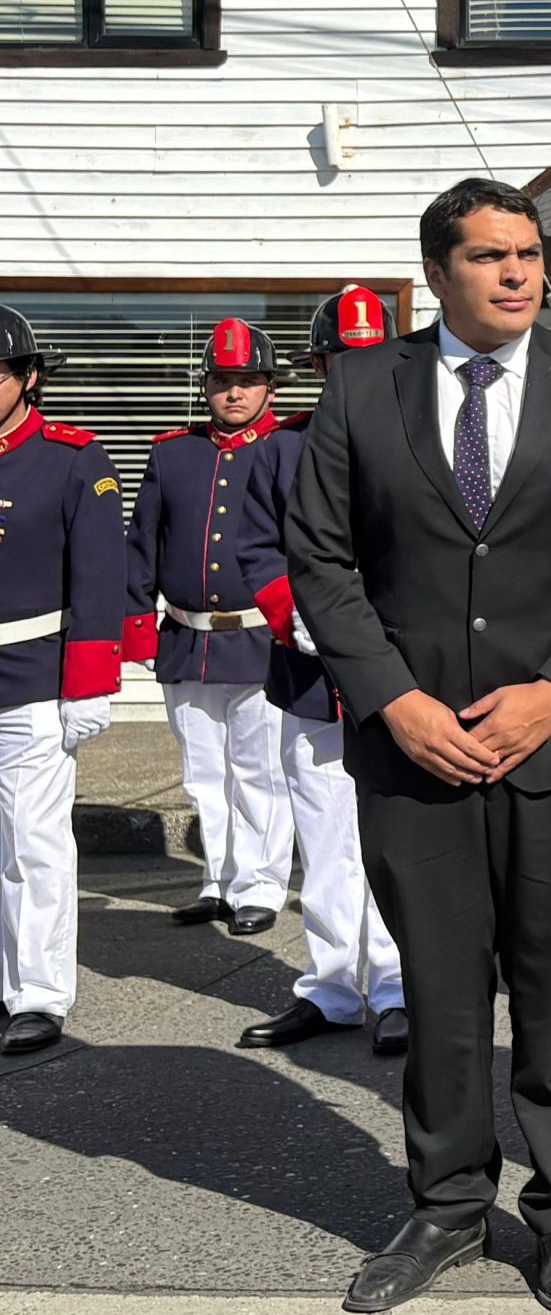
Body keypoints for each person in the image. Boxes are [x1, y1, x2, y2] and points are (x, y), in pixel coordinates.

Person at [286, 179, 551, 1315]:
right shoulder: (364, 387)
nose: (518, 274)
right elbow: (322, 558)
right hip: (414, 752)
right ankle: (449, 1206)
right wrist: (393, 702)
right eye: (491, 256)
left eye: (530, 254)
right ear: (437, 272)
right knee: (445, 995)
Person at [235, 286, 409, 1057]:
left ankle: (403, 988)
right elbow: (255, 549)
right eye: (342, 359)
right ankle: (336, 985)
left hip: (407, 680)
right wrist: (292, 612)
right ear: (317, 364)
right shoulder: (278, 451)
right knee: (327, 838)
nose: (355, 372)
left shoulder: (427, 441)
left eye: (370, 357)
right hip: (311, 679)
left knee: (401, 842)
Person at [124, 319, 297, 936]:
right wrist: (136, 624)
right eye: (223, 381)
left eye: (248, 381)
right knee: (203, 771)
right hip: (186, 637)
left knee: (259, 770)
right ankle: (218, 880)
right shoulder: (173, 452)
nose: (235, 394)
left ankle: (262, 884)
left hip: (259, 635)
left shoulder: (288, 448)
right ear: (206, 387)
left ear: (270, 388)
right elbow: (142, 541)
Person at [0, 306, 122, 1056]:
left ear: (28, 379)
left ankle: (37, 994)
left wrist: (88, 684)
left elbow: (102, 575)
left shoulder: (72, 457)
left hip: (33, 677)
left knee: (32, 842)